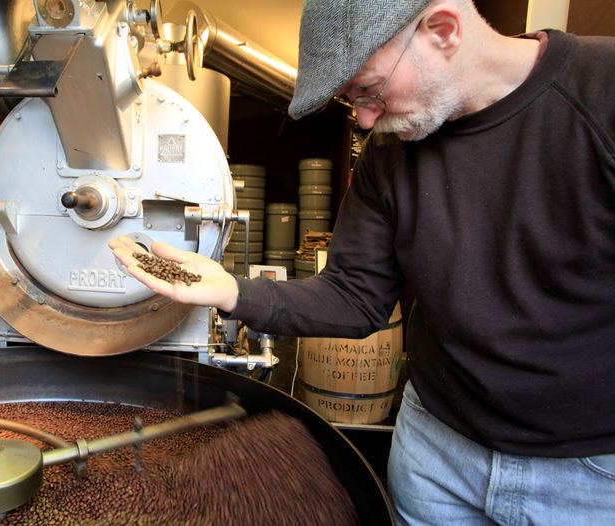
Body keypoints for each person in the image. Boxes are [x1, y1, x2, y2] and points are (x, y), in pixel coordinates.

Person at [111, 0, 615, 523]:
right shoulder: (391, 151)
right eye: (354, 103)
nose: (368, 119)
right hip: (436, 447)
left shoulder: (601, 95)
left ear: (442, 30)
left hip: (588, 470)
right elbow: (354, 296)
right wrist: (232, 293)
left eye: (371, 91)